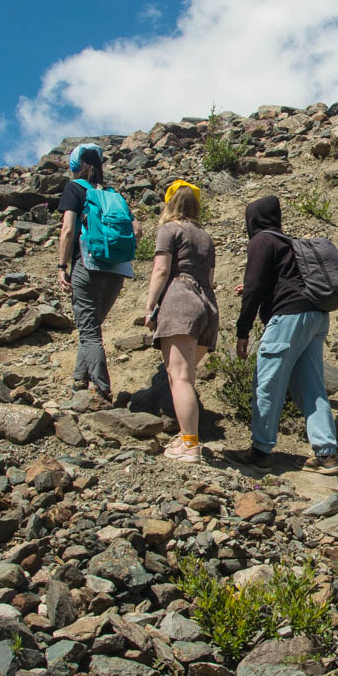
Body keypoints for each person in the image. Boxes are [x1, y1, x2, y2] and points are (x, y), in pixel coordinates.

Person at [226, 195, 338, 475]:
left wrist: (243, 331)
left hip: (288, 318)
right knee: (311, 385)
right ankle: (326, 456)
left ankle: (260, 452)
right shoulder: (288, 242)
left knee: (268, 381)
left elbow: (254, 288)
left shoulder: (262, 241)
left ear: (252, 219)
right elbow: (277, 282)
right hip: (315, 316)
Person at [143, 181, 219, 464]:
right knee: (187, 375)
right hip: (208, 307)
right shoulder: (205, 235)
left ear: (169, 202)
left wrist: (150, 307)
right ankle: (187, 437)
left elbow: (162, 270)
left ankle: (189, 445)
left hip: (181, 302)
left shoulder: (169, 229)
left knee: (179, 377)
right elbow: (211, 280)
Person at [57, 143, 139, 401]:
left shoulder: (74, 188)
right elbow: (137, 230)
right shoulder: (113, 193)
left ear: (74, 164)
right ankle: (80, 379)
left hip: (88, 265)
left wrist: (62, 266)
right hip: (117, 270)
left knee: (89, 330)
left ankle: (102, 389)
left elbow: (68, 230)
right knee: (91, 327)